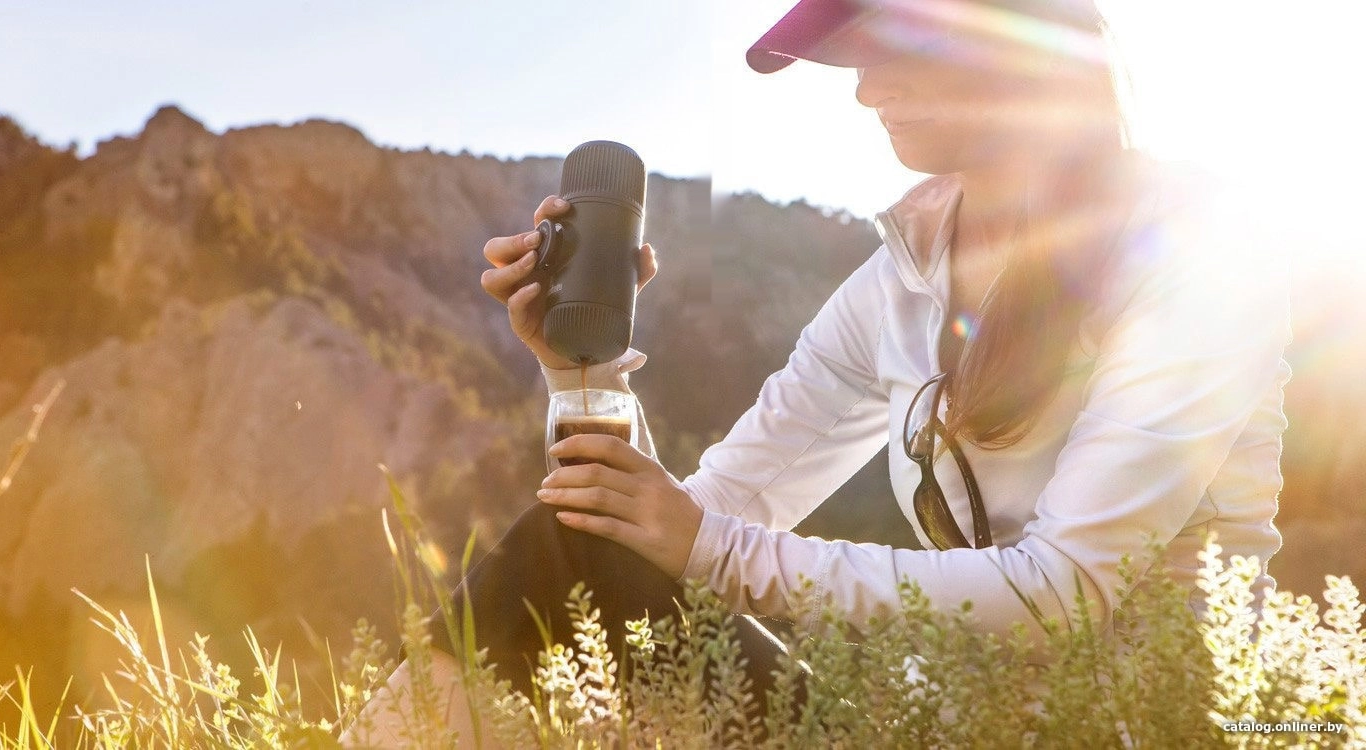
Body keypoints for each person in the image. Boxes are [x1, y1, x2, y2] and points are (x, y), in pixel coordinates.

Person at [345, 0, 1290, 744]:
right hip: (938, 726)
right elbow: (695, 520)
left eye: (896, 45)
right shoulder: (900, 278)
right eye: (854, 60)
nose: (866, 92)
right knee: (572, 544)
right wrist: (578, 374)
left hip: (1141, 728)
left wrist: (706, 547)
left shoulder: (1192, 249)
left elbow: (1063, 594)